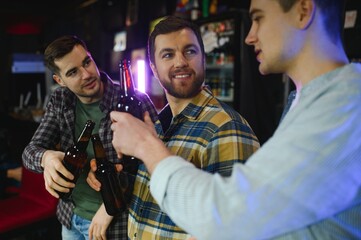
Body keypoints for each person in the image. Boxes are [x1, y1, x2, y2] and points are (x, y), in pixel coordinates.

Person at [109, 0, 361, 239]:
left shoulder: (344, 104)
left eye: (258, 18)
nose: (250, 36)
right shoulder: (309, 101)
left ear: (303, 11)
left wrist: (145, 145)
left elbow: (231, 216)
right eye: (167, 55)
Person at [88, 16, 259, 239]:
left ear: (203, 59)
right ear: (154, 68)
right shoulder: (156, 124)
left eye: (190, 51)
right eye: (168, 55)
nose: (180, 62)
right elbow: (150, 194)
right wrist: (114, 182)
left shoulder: (227, 128)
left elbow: (237, 226)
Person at [22, 35, 158, 240]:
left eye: (86, 62)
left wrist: (109, 206)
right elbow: (29, 152)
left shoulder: (133, 101)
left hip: (115, 222)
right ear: (60, 81)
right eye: (73, 72)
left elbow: (156, 168)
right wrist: (46, 158)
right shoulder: (61, 100)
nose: (86, 74)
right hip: (70, 218)